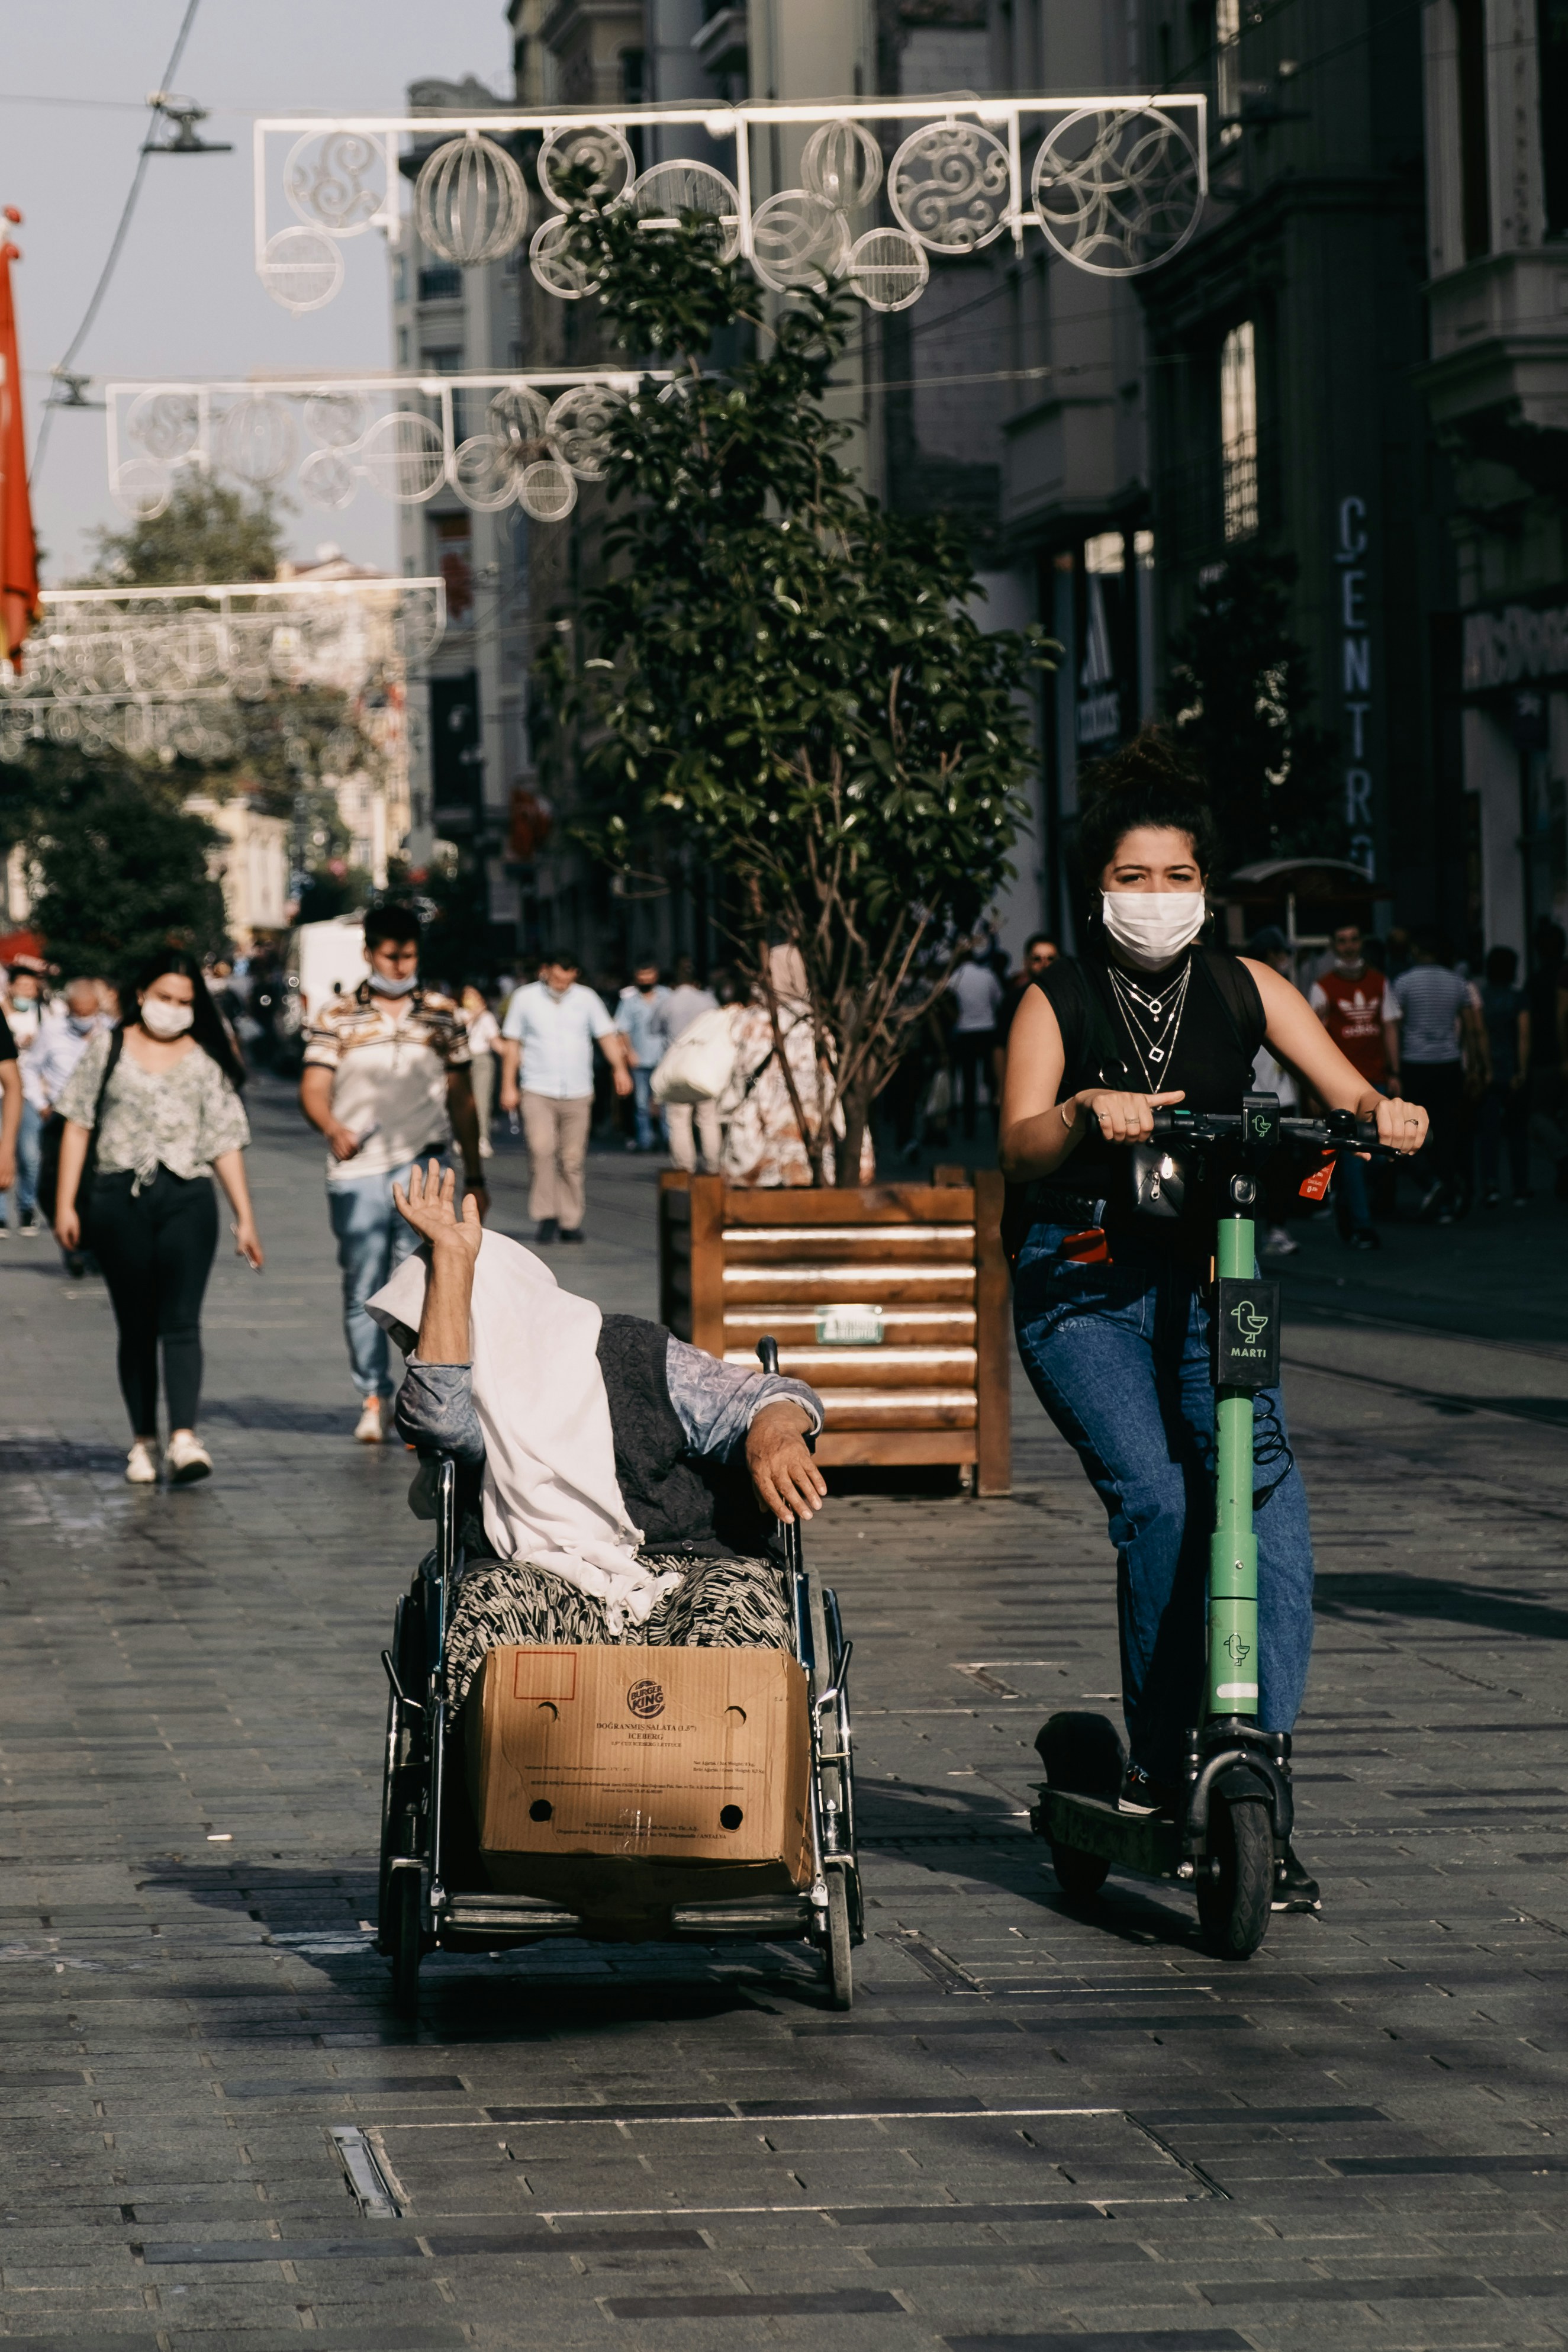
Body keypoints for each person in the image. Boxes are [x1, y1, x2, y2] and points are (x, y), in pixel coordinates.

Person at [999, 731, 1428, 1913]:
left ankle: (1253, 1768)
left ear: (1205, 887)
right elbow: (1018, 1139)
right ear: (1096, 891)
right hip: (1081, 1278)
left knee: (1263, 1482)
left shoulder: (1249, 986)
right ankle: (1156, 1765)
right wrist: (1088, 1112)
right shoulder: (1056, 996)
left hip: (1214, 1272)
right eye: (1131, 879)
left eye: (1175, 877)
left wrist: (1385, 1114)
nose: (1154, 899)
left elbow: (1346, 1091)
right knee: (1163, 1501)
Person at [372, 1162, 826, 1700]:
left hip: (683, 1564)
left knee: (737, 1615)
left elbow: (768, 1397)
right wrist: (450, 1262)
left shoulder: (629, 1352)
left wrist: (772, 1431)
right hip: (540, 1572)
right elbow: (438, 1416)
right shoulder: (474, 1405)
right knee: (489, 1615)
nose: (417, 1356)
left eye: (424, 1335)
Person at [54, 949, 263, 1487]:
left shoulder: (205, 1058)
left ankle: (185, 1437)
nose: (173, 1009)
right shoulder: (110, 1047)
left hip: (187, 1198)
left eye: (185, 1002)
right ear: (142, 994)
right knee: (137, 1324)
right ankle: (143, 1439)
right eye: (165, 997)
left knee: (182, 1320)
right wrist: (65, 1203)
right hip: (116, 1199)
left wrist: (245, 1216)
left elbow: (223, 1141)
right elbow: (77, 1123)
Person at [299, 903, 485, 1445]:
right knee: (362, 1281)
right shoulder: (336, 1016)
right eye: (390, 955)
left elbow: (462, 1097)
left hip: (423, 1163)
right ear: (369, 953)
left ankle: (419, 1393)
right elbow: (313, 1085)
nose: (400, 965)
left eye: (408, 955)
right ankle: (371, 1393)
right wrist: (330, 1124)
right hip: (358, 1167)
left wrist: (474, 1172)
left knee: (420, 1281)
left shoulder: (443, 1015)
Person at [497, 948, 633, 1244]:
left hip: (578, 1089)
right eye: (557, 978)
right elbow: (513, 1044)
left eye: (568, 979)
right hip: (537, 1088)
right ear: (545, 971)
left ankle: (570, 1220)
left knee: (572, 1159)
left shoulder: (587, 999)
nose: (562, 984)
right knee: (541, 1150)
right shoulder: (525, 998)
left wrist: (620, 1070)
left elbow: (606, 1036)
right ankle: (546, 1215)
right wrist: (508, 1085)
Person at [719, 947, 874, 1188]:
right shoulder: (819, 1024)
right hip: (813, 1140)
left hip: (761, 1140)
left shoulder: (750, 1022)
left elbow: (738, 1076)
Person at [1308, 921, 1403, 1250]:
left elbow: (1389, 1027)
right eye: (1342, 940)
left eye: (1353, 939)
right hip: (1339, 1083)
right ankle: (1364, 1226)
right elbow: (1314, 1039)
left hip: (1376, 1080)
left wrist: (1395, 1072)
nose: (1348, 946)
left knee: (1379, 1153)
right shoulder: (1322, 987)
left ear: (1361, 941)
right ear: (1333, 945)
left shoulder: (1380, 982)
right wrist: (1316, 1087)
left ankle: (1346, 1202)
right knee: (1351, 1154)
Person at [1390, 928, 1481, 1222]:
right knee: (1447, 1132)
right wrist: (1474, 1066)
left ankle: (1430, 1183)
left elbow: (1396, 1024)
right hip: (1448, 1063)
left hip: (1415, 1063)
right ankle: (1448, 1195)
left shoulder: (1403, 983)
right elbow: (1470, 1028)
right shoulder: (1458, 983)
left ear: (1416, 951)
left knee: (1411, 1129)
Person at [1477, 945, 1531, 1206]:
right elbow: (1523, 1036)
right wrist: (1522, 1070)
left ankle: (1491, 1186)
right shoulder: (1518, 997)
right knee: (1518, 1133)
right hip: (1511, 1071)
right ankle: (1520, 1189)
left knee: (1489, 1133)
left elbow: (1478, 1035)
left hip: (1489, 1072)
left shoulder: (1482, 997)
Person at [660, 957, 722, 1174]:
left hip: (677, 1066)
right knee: (708, 1118)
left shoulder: (668, 1001)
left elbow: (654, 1027)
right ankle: (714, 1166)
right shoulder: (709, 1001)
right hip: (705, 1066)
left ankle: (684, 1167)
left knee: (679, 1120)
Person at [1525, 920, 1568, 1201]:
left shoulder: (1536, 979)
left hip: (1543, 1058)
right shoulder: (1561, 973)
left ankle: (1564, 1160)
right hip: (1555, 1056)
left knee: (1539, 1116)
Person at [946, 939, 1003, 1139]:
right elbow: (999, 999)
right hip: (987, 1029)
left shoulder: (955, 977)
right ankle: (998, 1125)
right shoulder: (987, 975)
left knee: (969, 1081)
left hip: (965, 1031)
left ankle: (969, 1129)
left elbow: (946, 1000)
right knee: (992, 1080)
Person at [615, 957, 672, 1154]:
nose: (646, 979)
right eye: (642, 976)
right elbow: (622, 1029)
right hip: (640, 1059)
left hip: (665, 1058)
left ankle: (669, 1139)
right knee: (641, 1104)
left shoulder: (667, 996)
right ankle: (645, 1140)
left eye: (649, 975)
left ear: (655, 975)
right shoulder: (630, 1001)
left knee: (666, 1102)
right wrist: (629, 1052)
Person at [0, 969, 42, 1231]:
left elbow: (13, 1084)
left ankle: (25, 1206)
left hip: (25, 1096)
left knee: (30, 1155)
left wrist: (6, 1152)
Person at [994, 934, 1060, 1100]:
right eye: (1037, 958)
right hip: (1023, 1086)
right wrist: (1001, 1087)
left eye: (1050, 958)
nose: (1044, 964)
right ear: (1027, 962)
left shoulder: (1072, 999)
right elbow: (1000, 1045)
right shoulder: (1013, 999)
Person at [459, 984, 500, 1160]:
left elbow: (495, 1041)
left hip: (482, 1059)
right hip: (462, 1059)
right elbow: (459, 1031)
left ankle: (482, 1138)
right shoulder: (459, 1013)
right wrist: (474, 1015)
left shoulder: (487, 1017)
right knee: (462, 1101)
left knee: (481, 1100)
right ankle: (463, 1139)